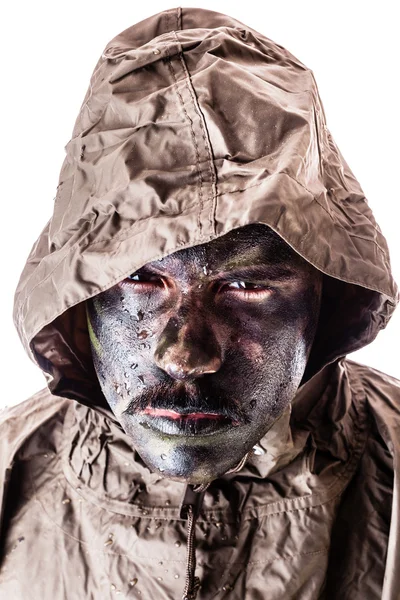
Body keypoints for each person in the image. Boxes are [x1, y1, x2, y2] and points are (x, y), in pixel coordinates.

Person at [1, 6, 399, 599]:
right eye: (140, 282)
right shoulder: (11, 478)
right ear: (77, 297)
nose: (186, 354)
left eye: (244, 288)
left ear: (328, 294)